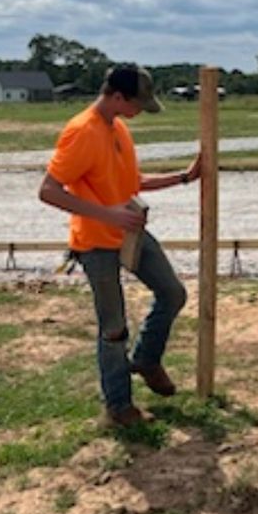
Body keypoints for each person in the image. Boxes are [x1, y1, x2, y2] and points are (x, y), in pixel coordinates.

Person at [38, 64, 201, 427]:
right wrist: (107, 215)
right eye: (137, 104)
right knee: (113, 328)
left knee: (172, 293)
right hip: (96, 244)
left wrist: (184, 178)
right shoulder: (82, 132)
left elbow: (131, 183)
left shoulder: (119, 128)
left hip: (129, 233)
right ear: (116, 97)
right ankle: (119, 407)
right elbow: (48, 190)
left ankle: (145, 359)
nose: (140, 110)